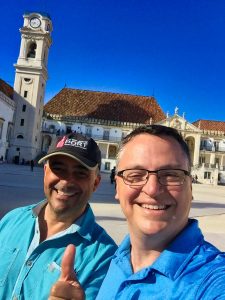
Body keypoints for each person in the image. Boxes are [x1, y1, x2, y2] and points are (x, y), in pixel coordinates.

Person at [49, 125, 225, 299]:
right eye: (135, 175)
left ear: (190, 187)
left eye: (171, 174)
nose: (152, 189)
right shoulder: (118, 259)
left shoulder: (212, 281)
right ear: (117, 186)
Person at [0, 132, 117, 300]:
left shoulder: (104, 257)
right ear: (45, 171)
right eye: (58, 168)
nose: (66, 181)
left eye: (80, 173)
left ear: (96, 183)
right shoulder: (11, 220)